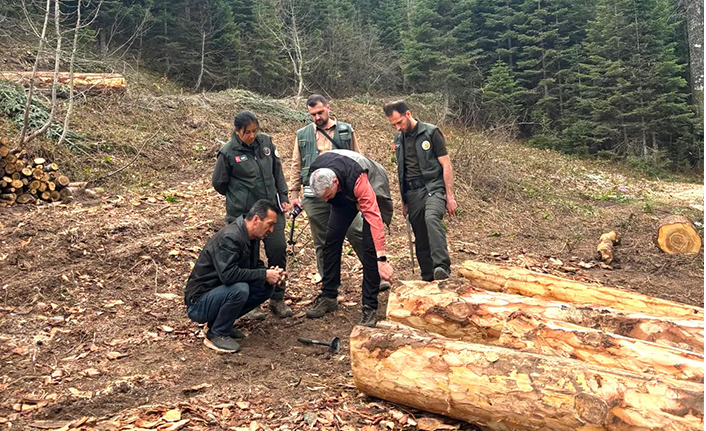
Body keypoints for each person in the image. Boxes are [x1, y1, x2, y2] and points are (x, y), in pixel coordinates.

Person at [290, 95, 391, 291]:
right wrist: (294, 194)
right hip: (314, 194)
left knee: (357, 233)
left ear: (328, 108)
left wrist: (362, 194)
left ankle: (375, 275)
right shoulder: (302, 135)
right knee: (324, 242)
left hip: (344, 193)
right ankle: (328, 284)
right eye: (312, 114)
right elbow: (296, 164)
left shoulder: (345, 130)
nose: (317, 117)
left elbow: (358, 158)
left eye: (320, 112)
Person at [212, 111, 292, 318]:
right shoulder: (228, 152)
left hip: (271, 210)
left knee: (278, 249)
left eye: (255, 131)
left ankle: (277, 298)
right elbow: (219, 183)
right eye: (247, 132)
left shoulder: (265, 144)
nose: (252, 136)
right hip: (244, 215)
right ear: (237, 131)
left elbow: (277, 171)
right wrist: (240, 197)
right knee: (247, 259)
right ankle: (251, 302)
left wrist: (283, 196)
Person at [304, 150, 394, 327]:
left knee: (369, 247)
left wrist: (381, 259)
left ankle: (370, 307)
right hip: (344, 192)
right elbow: (326, 194)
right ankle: (329, 296)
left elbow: (374, 218)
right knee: (331, 241)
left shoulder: (357, 179)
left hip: (372, 182)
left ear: (335, 182)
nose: (326, 201)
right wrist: (340, 199)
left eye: (327, 197)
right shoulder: (316, 173)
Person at [184, 200, 285, 353]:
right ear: (256, 220)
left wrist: (270, 274)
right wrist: (263, 274)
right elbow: (228, 275)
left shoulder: (253, 238)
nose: (271, 230)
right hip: (198, 303)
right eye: (269, 224)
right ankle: (217, 333)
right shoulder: (230, 237)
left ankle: (221, 323)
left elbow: (252, 267)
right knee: (240, 289)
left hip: (218, 293)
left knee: (265, 287)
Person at [383, 100, 457, 281]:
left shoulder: (431, 133)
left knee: (431, 218)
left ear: (408, 114)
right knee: (420, 233)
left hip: (433, 187)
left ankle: (442, 266)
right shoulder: (398, 140)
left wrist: (450, 196)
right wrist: (404, 202)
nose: (398, 127)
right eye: (393, 125)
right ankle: (428, 277)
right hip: (412, 192)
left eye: (399, 122)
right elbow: (401, 171)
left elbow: (446, 164)